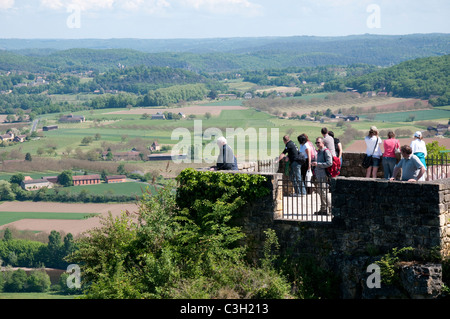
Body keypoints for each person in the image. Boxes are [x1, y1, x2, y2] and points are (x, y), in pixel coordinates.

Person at [311, 137, 332, 215]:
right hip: (319, 174)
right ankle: (323, 209)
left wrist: (318, 164)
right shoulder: (319, 152)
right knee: (320, 192)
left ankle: (330, 208)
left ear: (323, 143)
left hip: (323, 175)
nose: (317, 144)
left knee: (323, 192)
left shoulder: (326, 152)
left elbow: (330, 163)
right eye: (316, 143)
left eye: (318, 142)